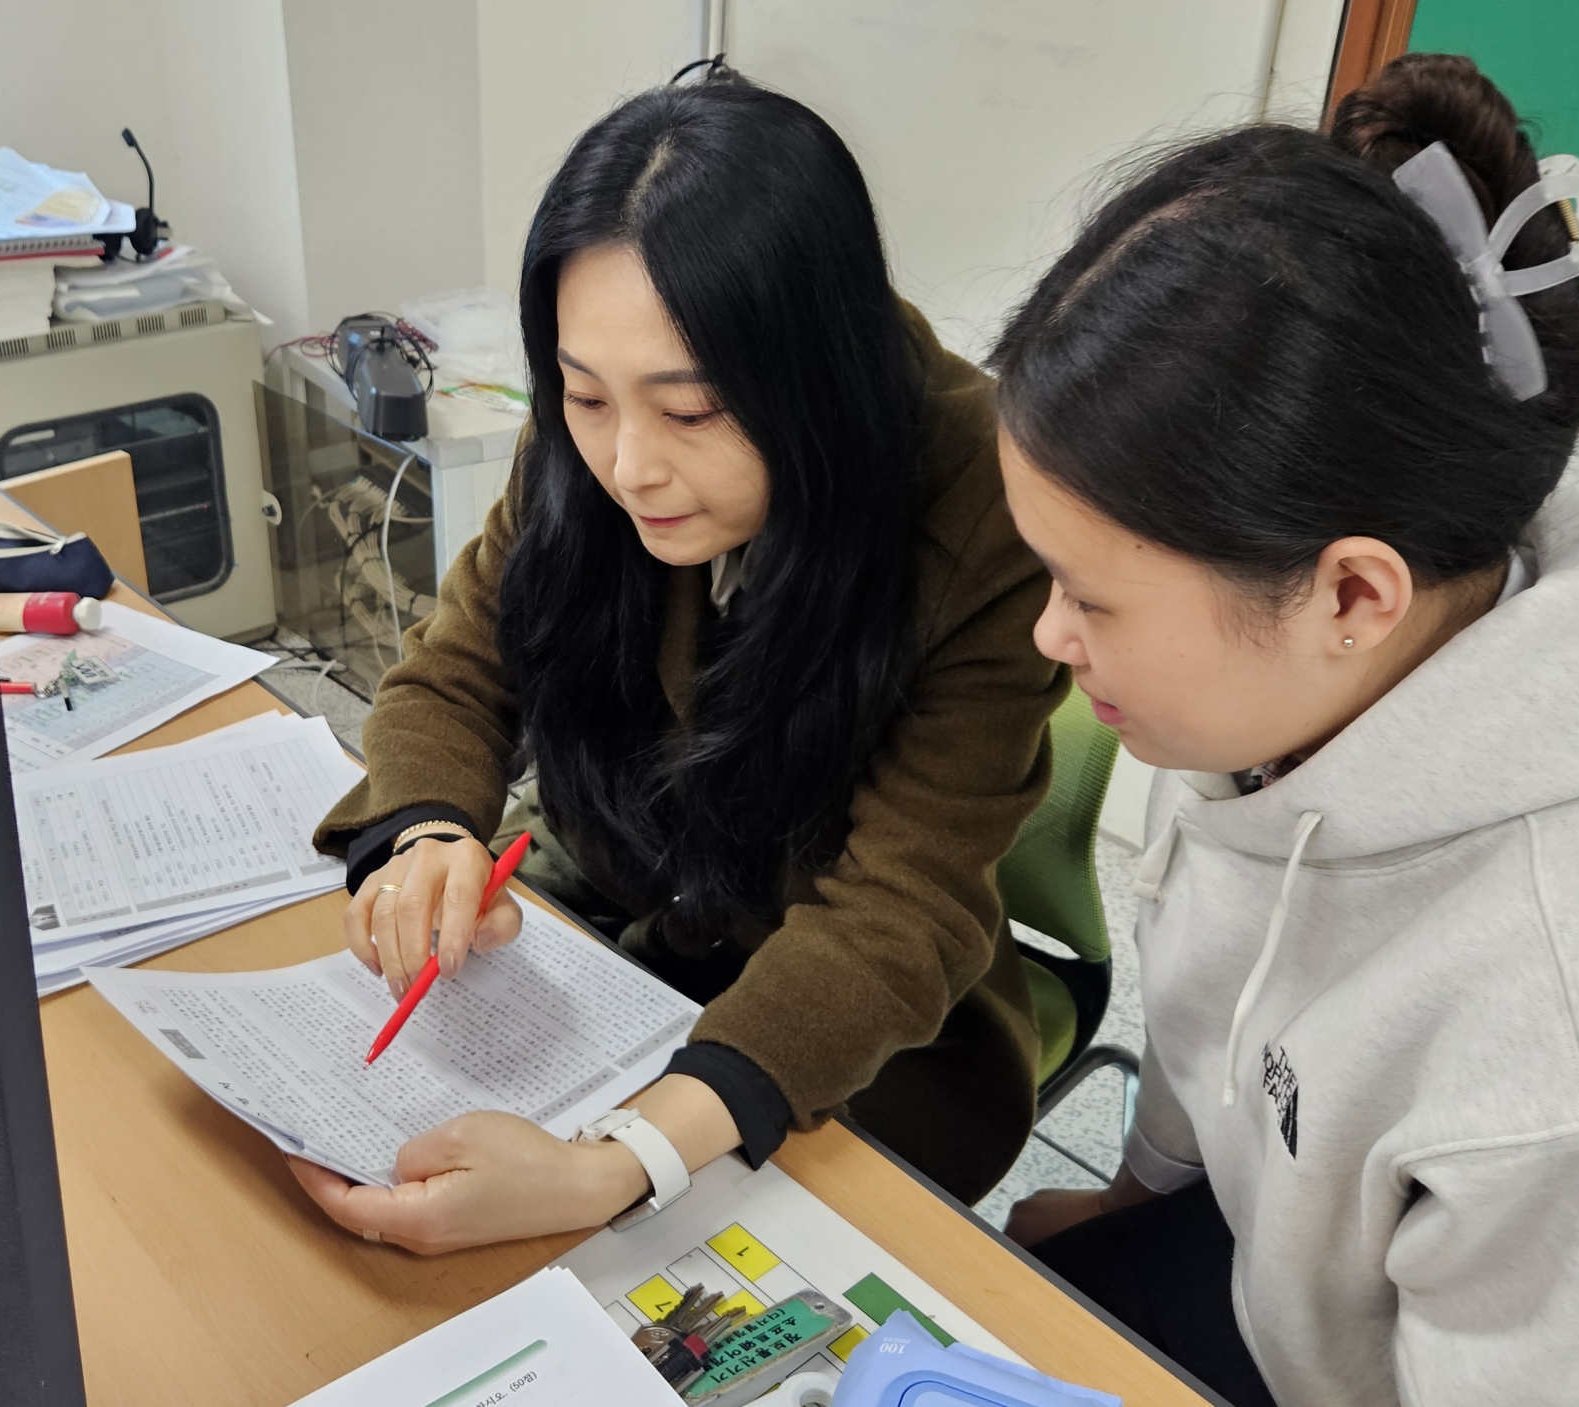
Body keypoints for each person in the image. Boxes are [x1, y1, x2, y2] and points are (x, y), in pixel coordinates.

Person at [987, 53, 1579, 1407]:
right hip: (1317, 1274)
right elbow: (1226, 984)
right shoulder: (1289, 697)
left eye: (1090, 593)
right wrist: (1132, 1195)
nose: (1051, 635)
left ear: (1350, 590)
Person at [288, 75, 1069, 1253]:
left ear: (820, 376)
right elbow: (458, 669)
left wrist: (620, 1164)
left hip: (848, 1029)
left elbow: (895, 914)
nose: (626, 464)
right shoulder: (596, 423)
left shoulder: (980, 503)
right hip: (624, 918)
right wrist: (423, 840)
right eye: (583, 395)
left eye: (693, 411)